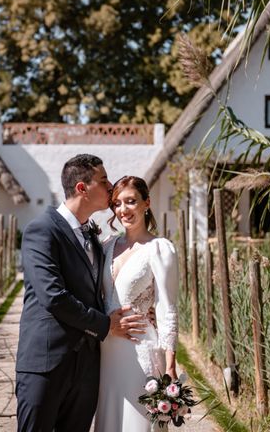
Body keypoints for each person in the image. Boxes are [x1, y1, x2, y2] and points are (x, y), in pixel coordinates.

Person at [15, 154, 147, 432]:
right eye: (104, 180)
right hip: (46, 364)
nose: (111, 186)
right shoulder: (42, 230)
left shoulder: (94, 237)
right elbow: (53, 296)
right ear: (81, 188)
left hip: (87, 368)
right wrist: (105, 324)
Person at [94, 176, 179, 432]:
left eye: (131, 201)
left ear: (146, 203)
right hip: (106, 351)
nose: (123, 210)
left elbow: (167, 308)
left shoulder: (159, 248)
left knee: (137, 421)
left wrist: (171, 365)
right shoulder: (107, 245)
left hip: (141, 348)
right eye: (117, 203)